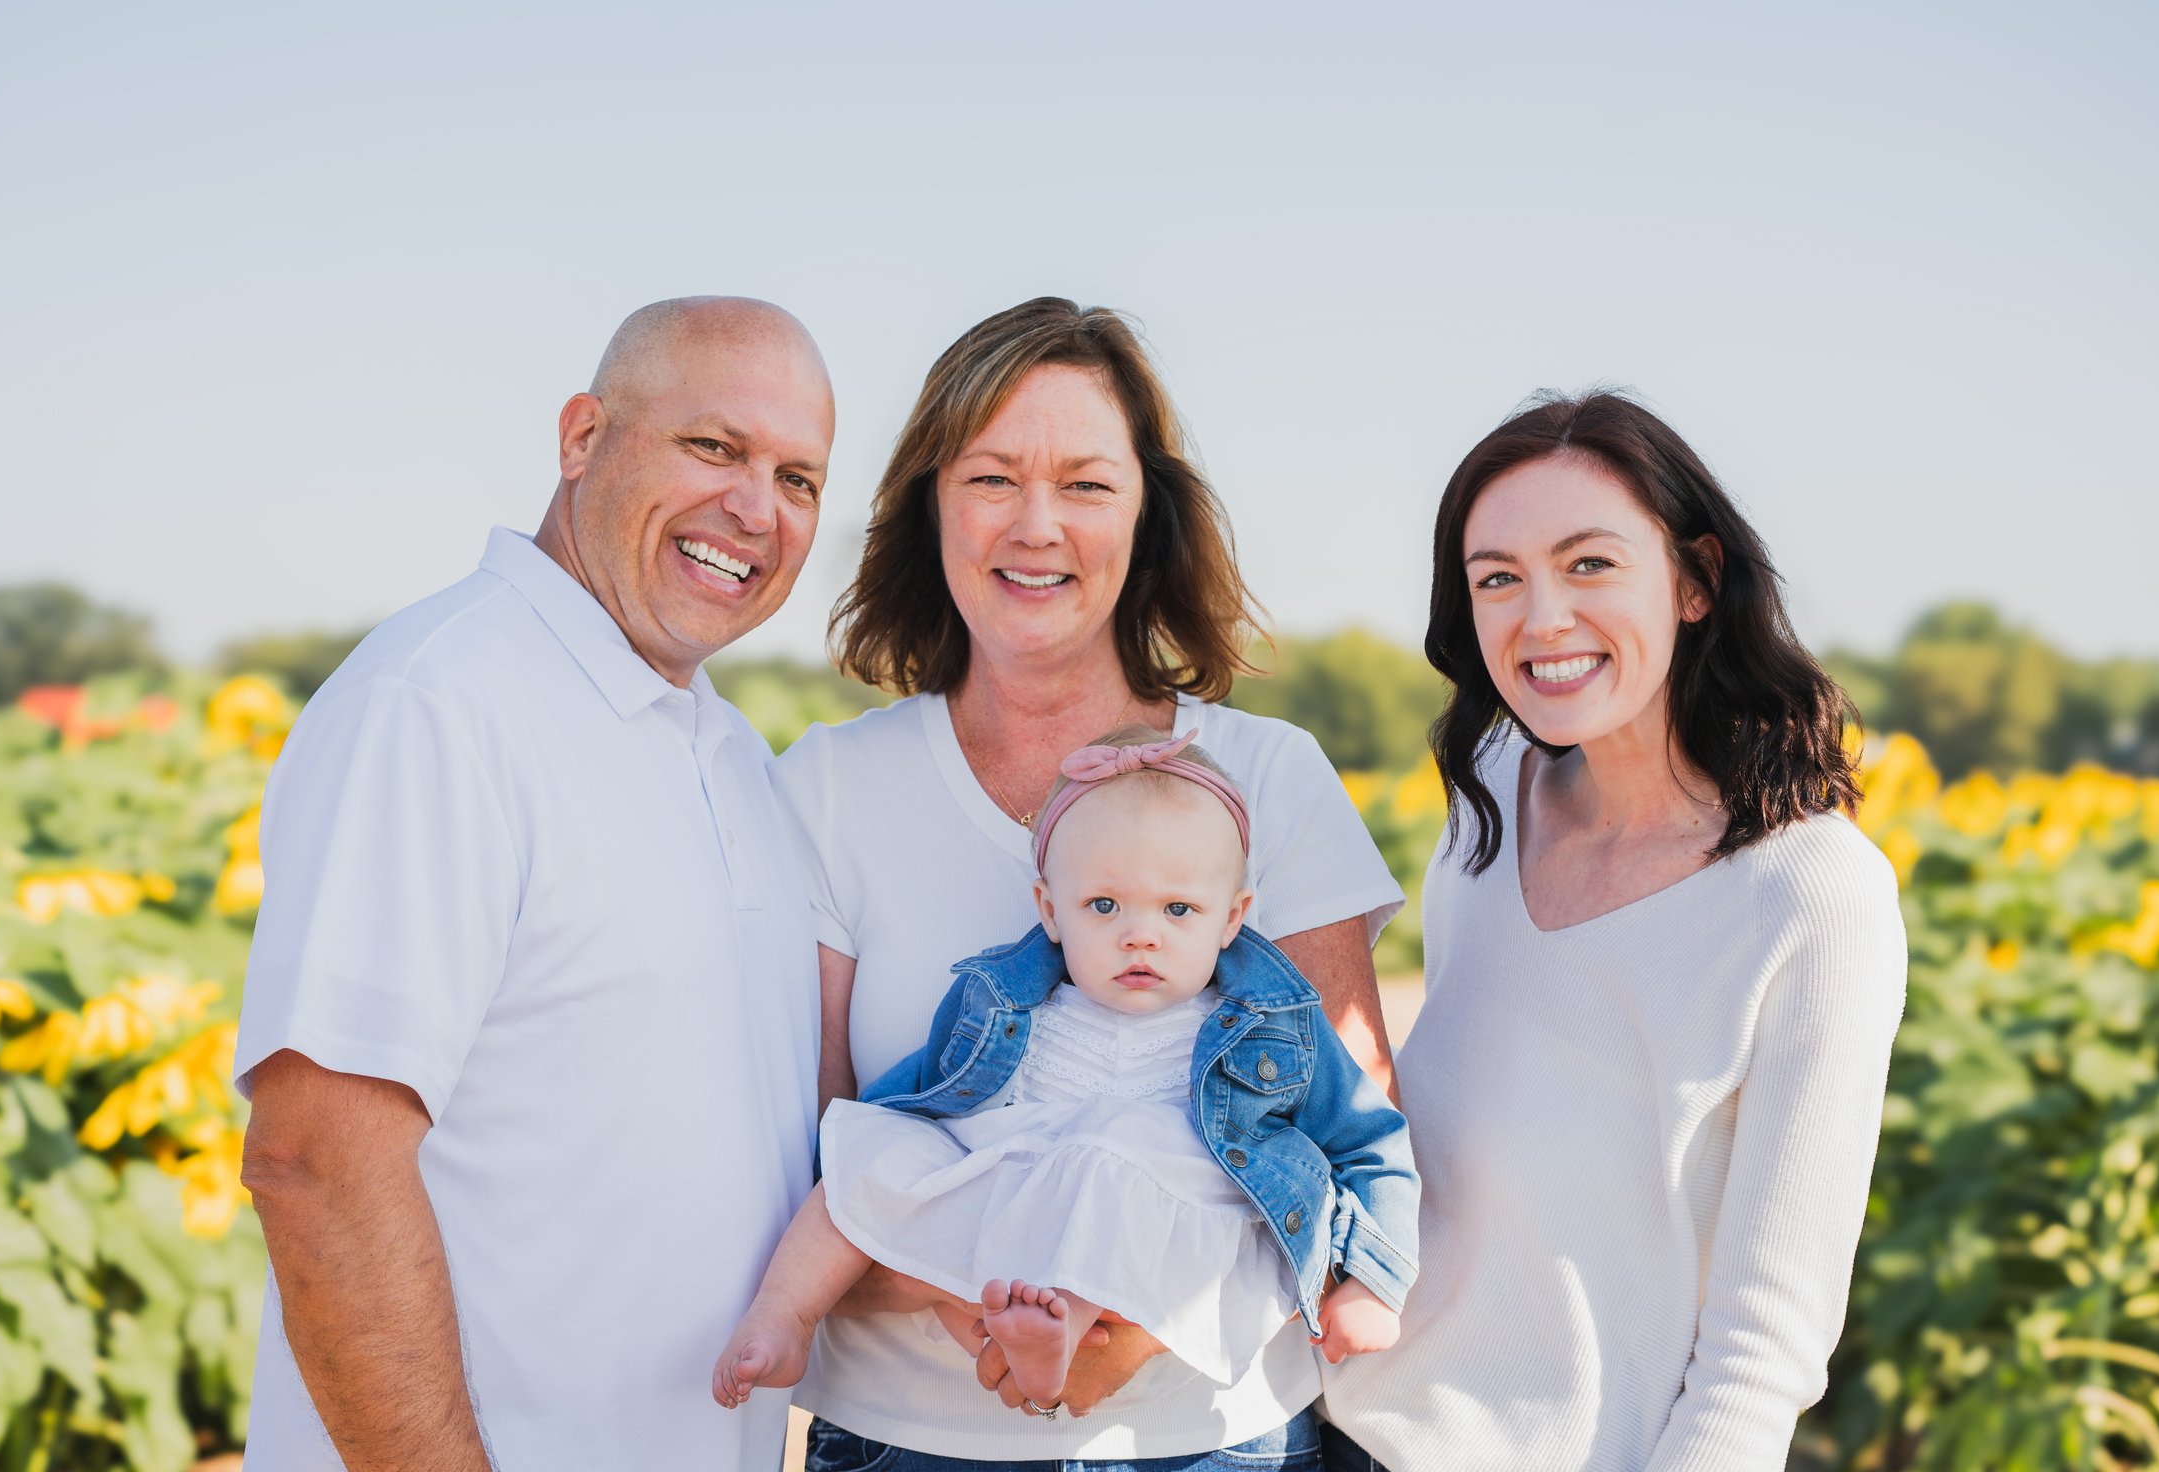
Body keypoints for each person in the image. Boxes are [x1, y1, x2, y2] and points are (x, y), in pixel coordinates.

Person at [777, 297, 1409, 1469]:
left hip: (1214, 1442)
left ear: (1146, 514)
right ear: (929, 504)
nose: (1036, 524)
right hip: (908, 1445)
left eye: (1084, 482)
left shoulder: (1269, 777)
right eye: (991, 477)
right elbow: (808, 1156)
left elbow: (1337, 1149)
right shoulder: (826, 788)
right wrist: (976, 1296)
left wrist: (1134, 1325)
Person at [233, 297, 837, 1472]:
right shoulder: (440, 704)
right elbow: (315, 1161)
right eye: (712, 447)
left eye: (799, 478)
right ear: (580, 438)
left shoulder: (733, 759)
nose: (754, 508)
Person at [1321, 391, 1909, 1470]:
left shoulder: (1811, 897)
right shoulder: (1491, 795)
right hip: (1333, 1423)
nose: (1538, 616)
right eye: (1496, 576)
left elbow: (1763, 1347)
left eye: (1588, 563)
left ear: (1695, 579)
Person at [714, 727, 1417, 1414]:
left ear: (1231, 919)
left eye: (1179, 909)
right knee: (869, 1148)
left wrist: (1373, 1282)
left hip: (1160, 1206)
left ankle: (1062, 1330)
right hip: (1014, 1191)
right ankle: (785, 1314)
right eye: (1103, 905)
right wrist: (875, 1157)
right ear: (1051, 910)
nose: (1140, 933)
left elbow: (1368, 1137)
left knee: (1114, 1151)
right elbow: (916, 1096)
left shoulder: (1271, 1027)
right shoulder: (1001, 1002)